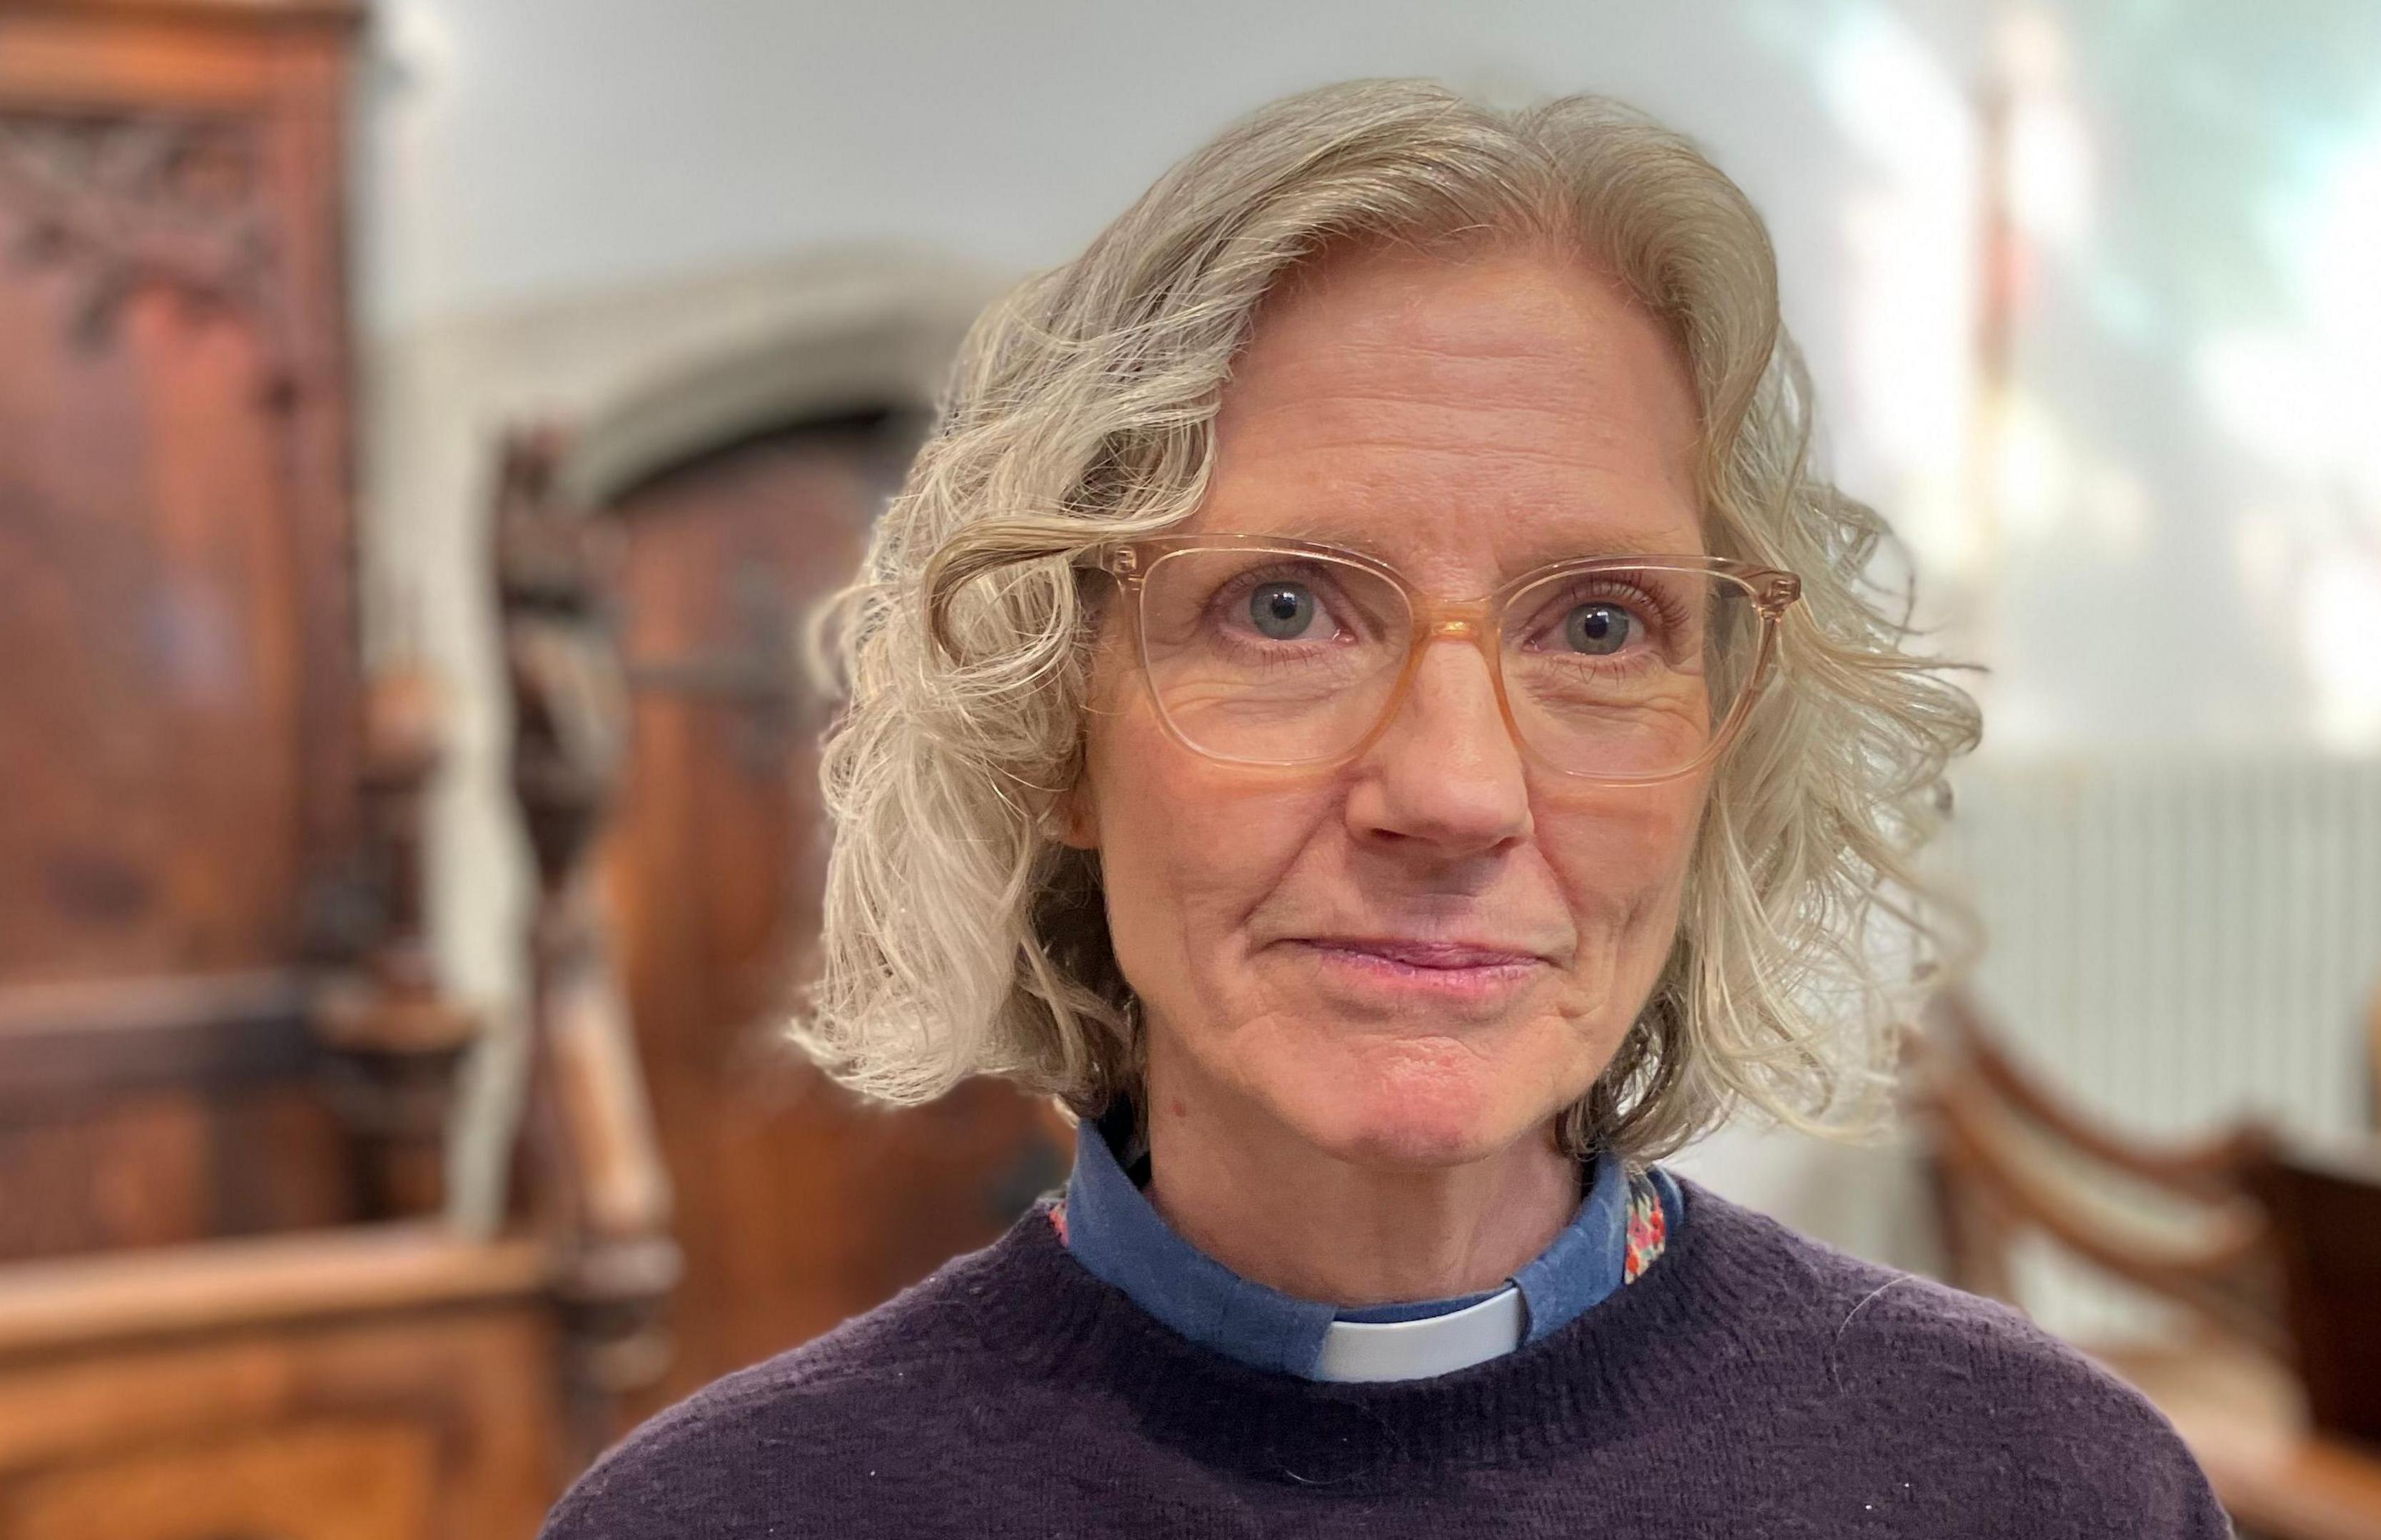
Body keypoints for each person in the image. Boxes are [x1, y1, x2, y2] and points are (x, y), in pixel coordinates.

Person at [542, 78, 2229, 1538]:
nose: (1454, 791)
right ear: (1056, 721)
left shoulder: (2045, 1491)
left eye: (1596, 625)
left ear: (1724, 735)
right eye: (1284, 608)